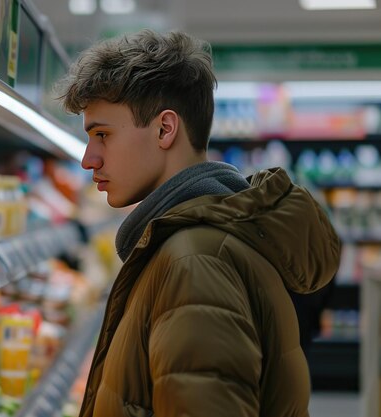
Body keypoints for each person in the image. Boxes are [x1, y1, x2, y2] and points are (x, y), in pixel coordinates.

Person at [58, 30, 341, 417]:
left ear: (165, 129)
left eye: (102, 135)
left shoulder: (195, 262)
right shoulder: (194, 245)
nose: (88, 159)